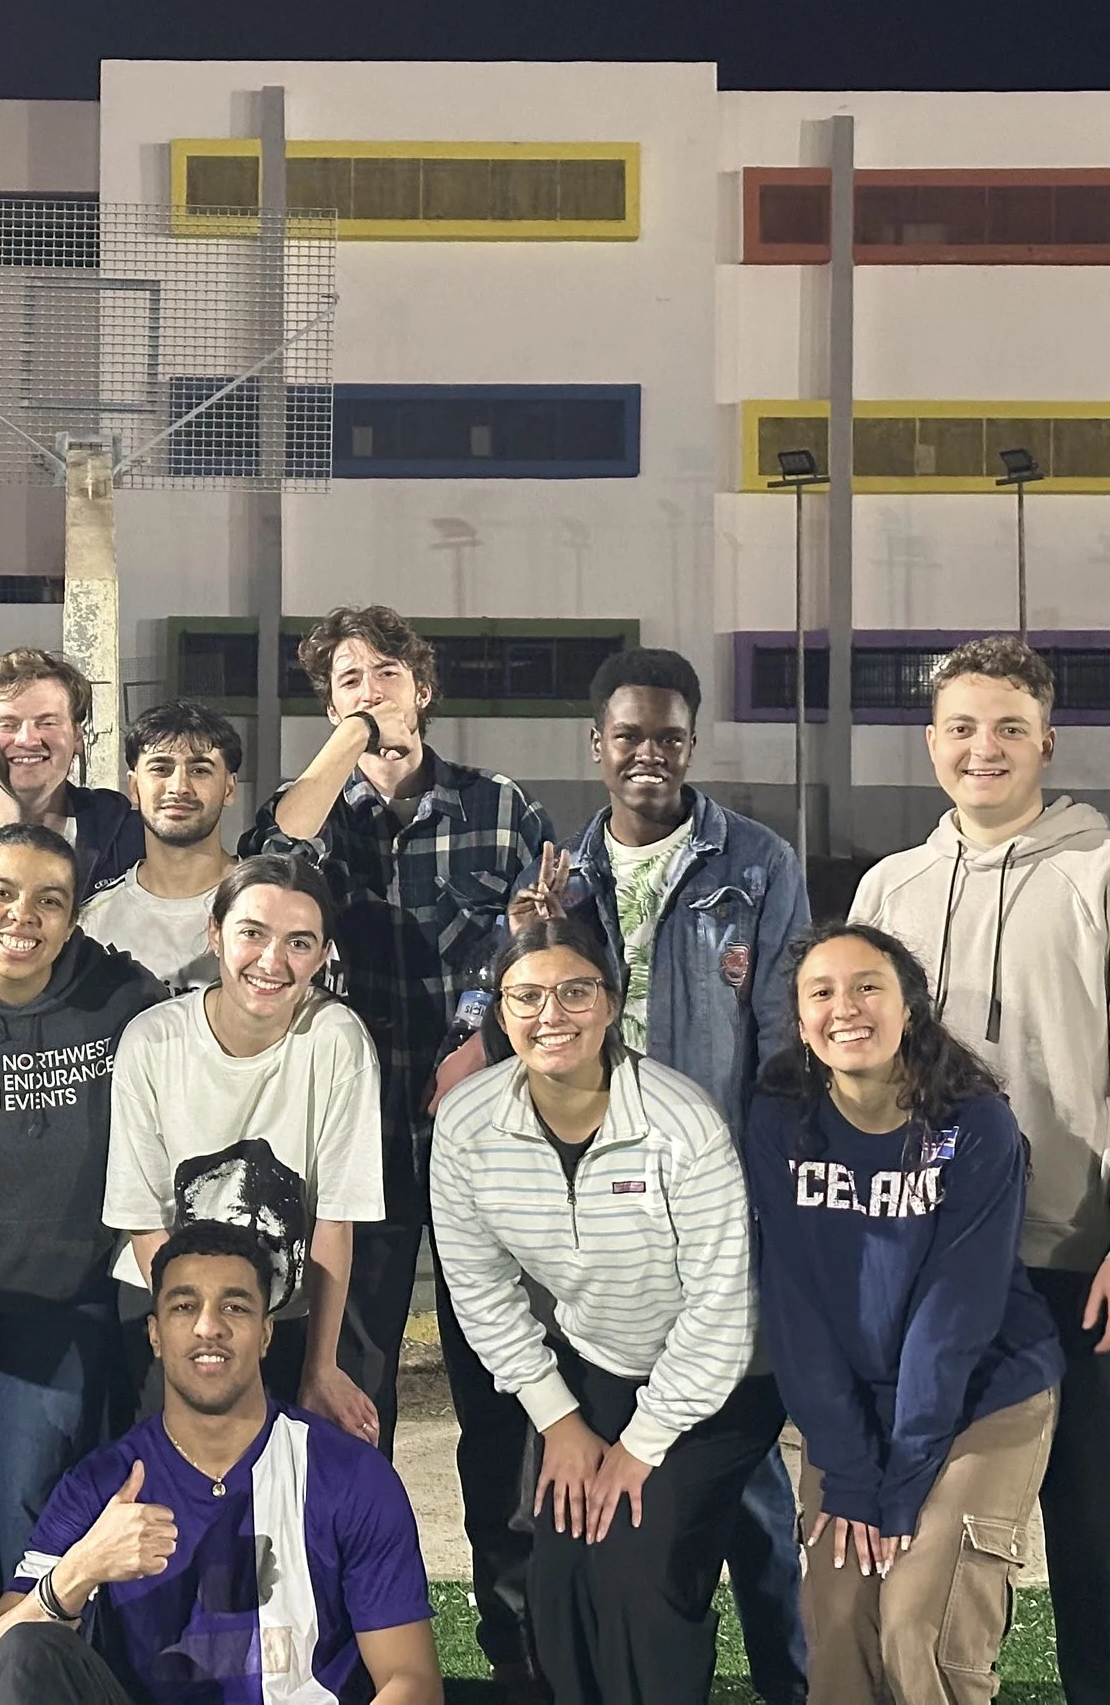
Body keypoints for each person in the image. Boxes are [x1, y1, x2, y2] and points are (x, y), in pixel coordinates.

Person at [448, 644, 811, 1705]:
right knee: (622, 1484)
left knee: (749, 1487)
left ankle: (791, 1676)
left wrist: (765, 1195)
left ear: (690, 744)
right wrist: (525, 936)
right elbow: (523, 1012)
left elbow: (784, 1043)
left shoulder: (755, 864)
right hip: (602, 1213)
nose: (647, 753)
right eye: (627, 735)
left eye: (667, 735)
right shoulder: (567, 874)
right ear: (596, 745)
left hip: (714, 1199)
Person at [850, 633, 1110, 1705]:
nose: (981, 749)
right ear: (929, 744)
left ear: (1046, 741)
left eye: (1007, 728)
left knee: (1102, 1536)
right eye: (960, 728)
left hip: (1077, 1260)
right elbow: (856, 1079)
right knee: (933, 1542)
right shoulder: (889, 888)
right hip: (928, 1266)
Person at [240, 603, 551, 1694]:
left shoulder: (497, 806)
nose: (365, 693)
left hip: (476, 1137)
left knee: (498, 1397)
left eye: (382, 676)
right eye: (341, 683)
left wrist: (480, 1033)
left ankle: (520, 1654)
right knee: (344, 1393)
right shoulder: (322, 819)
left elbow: (541, 936)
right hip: (352, 1145)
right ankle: (342, 1653)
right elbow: (269, 861)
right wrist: (340, 745)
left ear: (423, 685)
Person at [430, 918, 775, 1705]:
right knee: (559, 1579)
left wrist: (639, 1446)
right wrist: (561, 1421)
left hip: (726, 1380)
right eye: (527, 994)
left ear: (611, 1003)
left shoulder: (681, 1122)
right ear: (501, 1010)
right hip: (599, 1371)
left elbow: (721, 1311)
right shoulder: (468, 1123)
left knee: (637, 1573)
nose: (552, 1013)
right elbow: (479, 1288)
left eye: (575, 990)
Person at [746, 925, 1063, 1705]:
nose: (844, 1007)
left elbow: (953, 1315)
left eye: (867, 987)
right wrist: (852, 1469)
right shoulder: (779, 1116)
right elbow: (796, 1302)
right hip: (851, 1405)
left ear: (910, 1008)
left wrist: (902, 1484)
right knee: (840, 1618)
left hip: (980, 1397)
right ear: (799, 1015)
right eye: (821, 992)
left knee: (919, 1623)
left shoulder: (973, 1123)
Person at [0, 823, 169, 1705]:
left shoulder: (119, 997)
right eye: (3, 893)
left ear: (73, 916)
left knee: (35, 1528)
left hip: (64, 1305)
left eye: (50, 899)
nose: (25, 916)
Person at [0, 1222, 442, 1705]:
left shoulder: (348, 1475)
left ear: (265, 1334)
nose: (208, 1327)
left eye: (234, 1307)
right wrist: (81, 1570)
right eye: (183, 1306)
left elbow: (412, 1683)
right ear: (154, 1333)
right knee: (25, 1642)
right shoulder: (102, 1484)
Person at [104, 853, 384, 1439]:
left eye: (300, 943)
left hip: (286, 1311)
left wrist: (321, 1368)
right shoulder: (152, 1040)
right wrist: (195, 1334)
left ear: (325, 953)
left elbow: (335, 1217)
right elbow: (142, 1217)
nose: (272, 961)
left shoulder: (336, 1041)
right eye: (252, 933)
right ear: (215, 933)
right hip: (165, 1301)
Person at [77, 698, 242, 991]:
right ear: (133, 787)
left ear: (229, 788)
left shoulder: (273, 907)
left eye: (200, 770)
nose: (179, 787)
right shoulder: (89, 925)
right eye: (161, 769)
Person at [0, 648, 143, 894]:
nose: (28, 740)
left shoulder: (137, 844)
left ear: (77, 737)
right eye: (7, 724)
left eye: (47, 723)